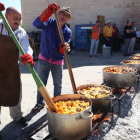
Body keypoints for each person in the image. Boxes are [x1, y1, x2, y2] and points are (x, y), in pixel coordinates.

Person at [31, 3, 72, 113]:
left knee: (57, 84)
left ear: (68, 19)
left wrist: (65, 48)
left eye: (66, 15)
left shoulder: (67, 32)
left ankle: (57, 103)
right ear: (57, 14)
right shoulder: (48, 22)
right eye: (62, 13)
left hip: (58, 61)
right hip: (44, 58)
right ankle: (40, 103)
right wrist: (47, 12)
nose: (64, 16)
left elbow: (66, 46)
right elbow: (36, 24)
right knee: (41, 83)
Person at [0, 3, 35, 127]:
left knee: (15, 94)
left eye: (20, 19)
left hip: (11, 69)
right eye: (16, 19)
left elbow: (26, 48)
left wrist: (28, 56)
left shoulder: (21, 32)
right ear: (6, 16)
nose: (18, 22)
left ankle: (17, 116)